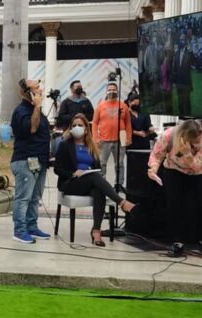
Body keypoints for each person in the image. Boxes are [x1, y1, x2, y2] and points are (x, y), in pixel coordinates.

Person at [55, 114, 136, 246]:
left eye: (80, 125)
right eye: (74, 125)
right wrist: (73, 173)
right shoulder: (65, 145)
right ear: (70, 129)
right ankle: (122, 202)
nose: (77, 127)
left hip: (89, 181)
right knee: (94, 177)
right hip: (71, 183)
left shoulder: (91, 146)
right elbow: (57, 169)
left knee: (98, 189)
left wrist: (90, 172)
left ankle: (96, 230)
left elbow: (97, 168)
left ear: (86, 129)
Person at [148, 119, 202, 257]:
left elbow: (198, 166)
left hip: (196, 173)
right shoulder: (169, 135)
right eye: (193, 140)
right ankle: (177, 241)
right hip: (173, 170)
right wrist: (153, 168)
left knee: (196, 205)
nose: (196, 143)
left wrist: (188, 154)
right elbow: (157, 154)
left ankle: (197, 239)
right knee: (175, 204)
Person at [11, 79, 52, 244]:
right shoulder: (21, 111)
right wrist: (37, 106)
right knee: (24, 197)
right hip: (25, 160)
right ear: (26, 92)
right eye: (36, 88)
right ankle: (19, 230)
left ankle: (31, 226)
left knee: (35, 197)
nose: (41, 90)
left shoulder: (38, 111)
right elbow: (32, 128)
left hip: (40, 159)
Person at [92, 82, 132, 185]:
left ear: (117, 91)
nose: (112, 91)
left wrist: (128, 138)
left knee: (119, 164)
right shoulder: (100, 106)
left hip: (121, 138)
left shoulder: (123, 106)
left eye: (114, 89)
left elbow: (128, 123)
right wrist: (96, 138)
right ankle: (102, 185)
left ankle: (119, 184)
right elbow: (94, 123)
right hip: (104, 139)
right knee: (102, 163)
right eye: (109, 89)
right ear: (106, 92)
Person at [173, 36, 194, 116]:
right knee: (180, 101)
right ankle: (181, 117)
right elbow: (175, 69)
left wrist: (191, 51)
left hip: (186, 83)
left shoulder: (188, 53)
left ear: (185, 41)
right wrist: (174, 82)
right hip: (179, 83)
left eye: (183, 39)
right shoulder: (176, 53)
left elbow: (193, 61)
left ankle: (189, 118)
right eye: (181, 39)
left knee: (187, 101)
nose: (182, 41)